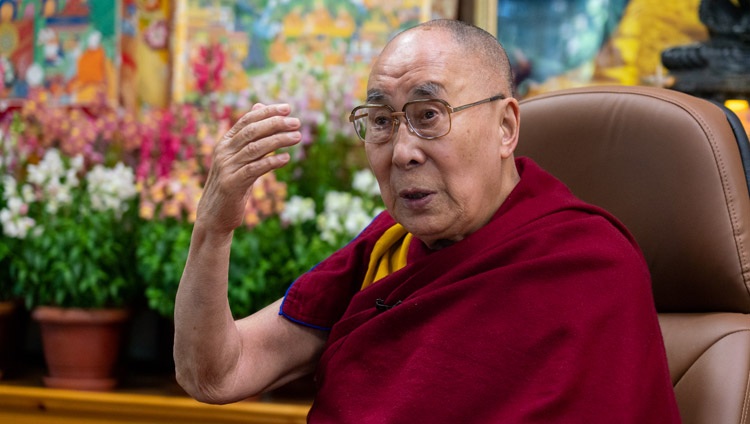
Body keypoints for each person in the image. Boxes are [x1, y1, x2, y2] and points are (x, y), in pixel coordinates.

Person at [174, 19, 681, 422]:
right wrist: (213, 228)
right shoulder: (384, 253)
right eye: (381, 122)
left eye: (429, 115)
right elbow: (216, 374)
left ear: (505, 127)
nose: (401, 152)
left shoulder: (589, 267)